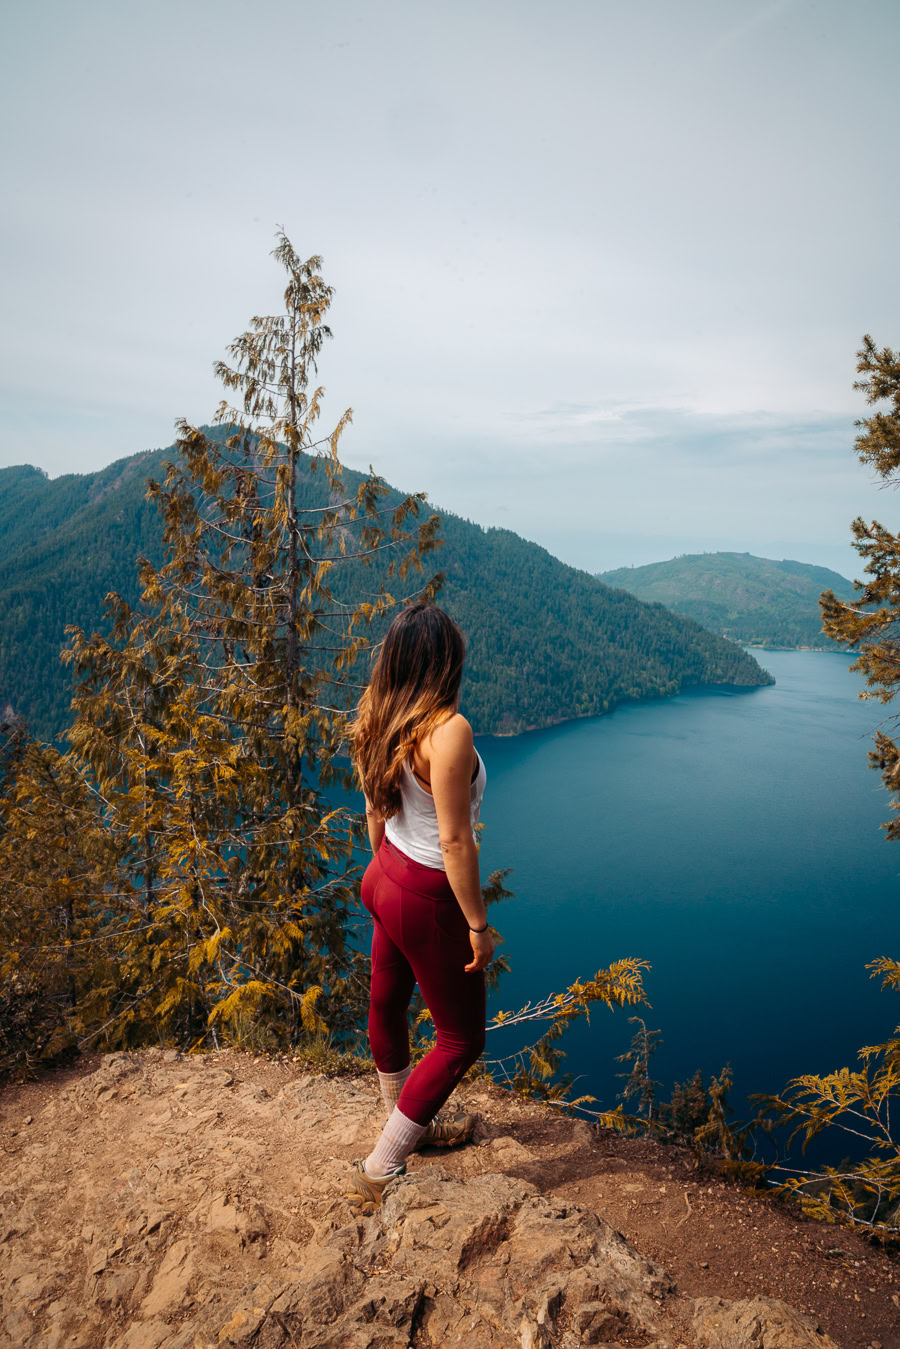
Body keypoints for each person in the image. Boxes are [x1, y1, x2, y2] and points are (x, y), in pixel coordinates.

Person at [345, 600, 495, 1213]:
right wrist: (478, 926)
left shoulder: (378, 712)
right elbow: (457, 841)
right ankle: (383, 1165)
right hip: (427, 890)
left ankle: (406, 1121)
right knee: (461, 1040)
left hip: (385, 876)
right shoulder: (447, 732)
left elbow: (376, 808)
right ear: (444, 662)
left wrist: (383, 870)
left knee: (387, 1002)